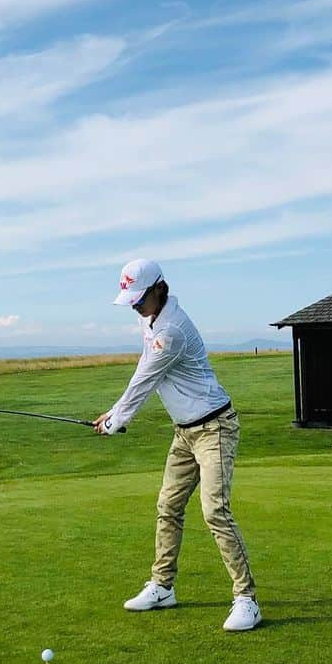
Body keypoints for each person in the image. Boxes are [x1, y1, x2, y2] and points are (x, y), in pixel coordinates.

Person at [94, 258, 261, 631]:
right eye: (131, 301)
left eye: (140, 299)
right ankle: (163, 586)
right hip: (184, 432)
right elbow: (145, 366)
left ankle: (246, 599)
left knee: (215, 511)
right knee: (167, 506)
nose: (135, 307)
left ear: (159, 289)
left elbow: (145, 378)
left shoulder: (172, 331)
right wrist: (113, 413)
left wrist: (117, 420)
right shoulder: (150, 319)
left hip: (215, 428)